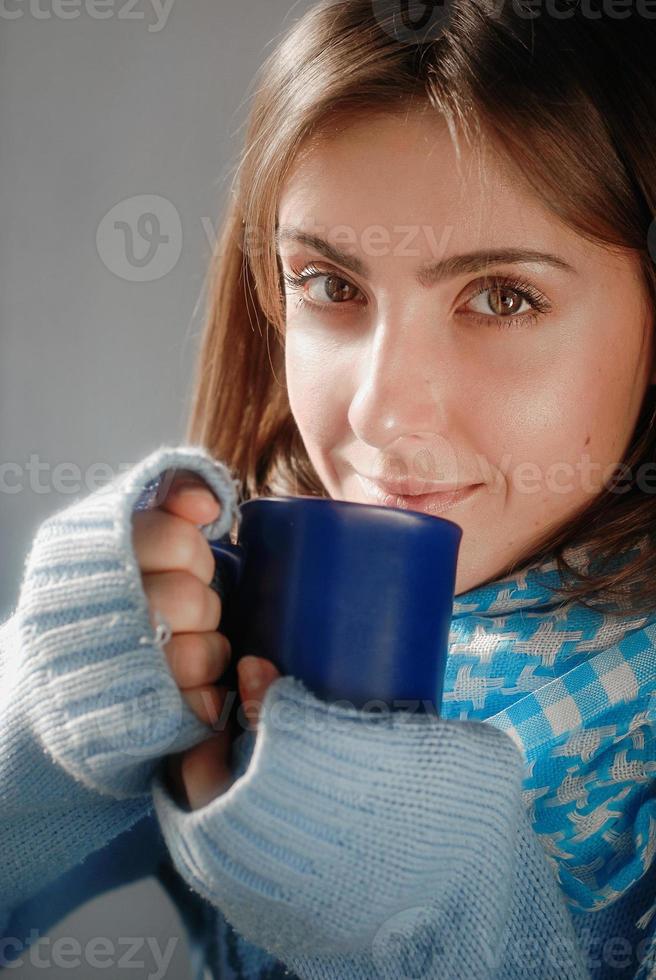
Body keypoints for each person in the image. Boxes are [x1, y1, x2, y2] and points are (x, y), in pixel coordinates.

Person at [2, 0, 656, 977]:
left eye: (501, 297)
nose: (379, 415)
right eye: (329, 284)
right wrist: (48, 722)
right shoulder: (237, 619)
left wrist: (439, 893)